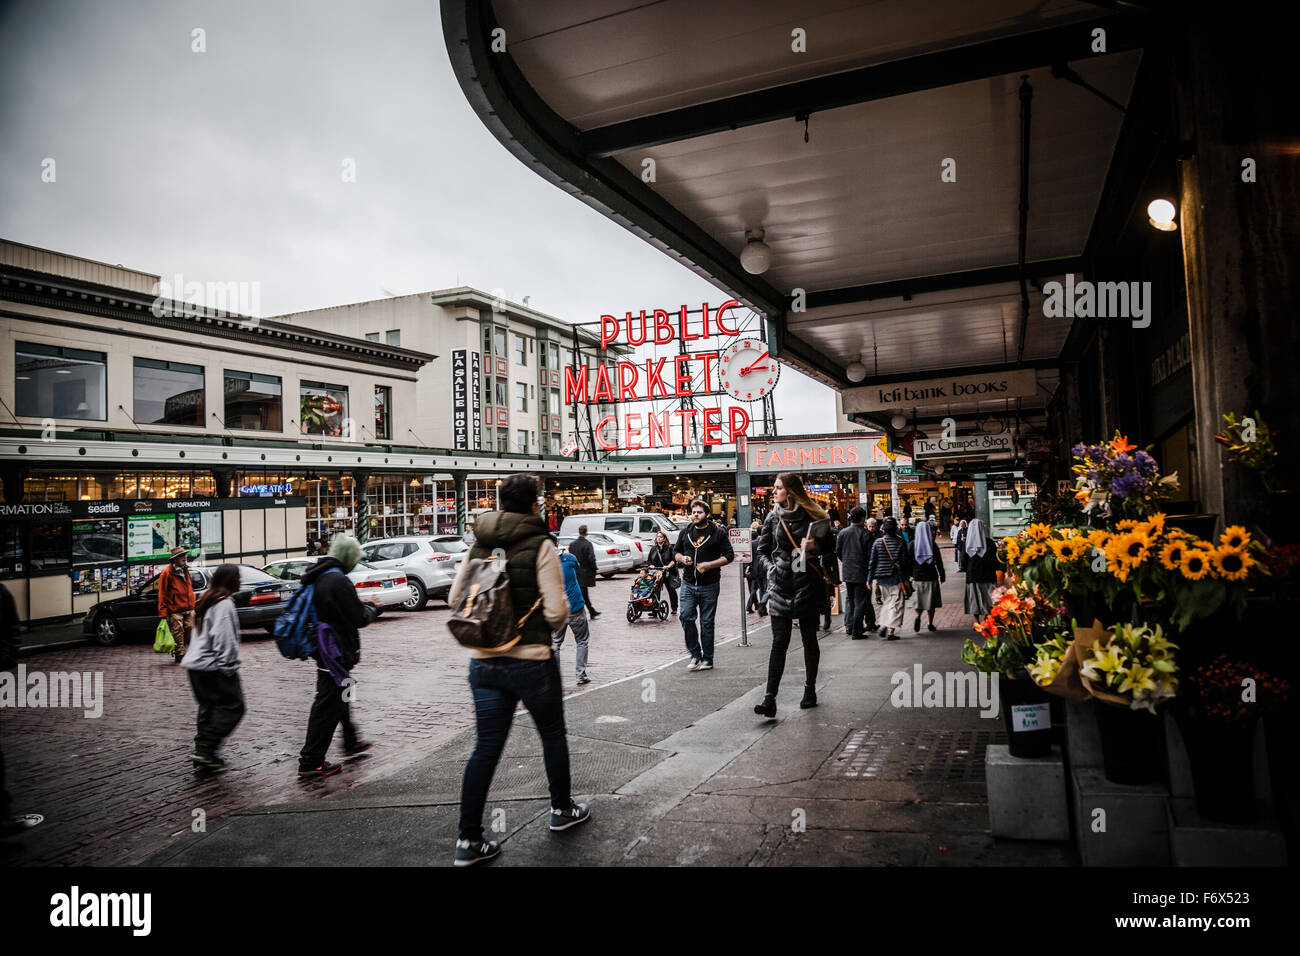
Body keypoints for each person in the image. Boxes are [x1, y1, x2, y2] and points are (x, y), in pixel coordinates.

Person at [450, 474, 589, 866]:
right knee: (551, 735)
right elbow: (556, 611)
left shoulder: (481, 541)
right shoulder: (540, 542)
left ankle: (469, 840)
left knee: (486, 749)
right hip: (531, 661)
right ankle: (561, 810)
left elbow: (454, 596)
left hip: (484, 663)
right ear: (533, 504)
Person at [297, 535, 380, 779]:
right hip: (334, 652)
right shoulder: (337, 580)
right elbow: (357, 618)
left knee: (342, 694)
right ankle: (311, 760)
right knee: (327, 705)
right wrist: (372, 608)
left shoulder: (322, 575)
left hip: (326, 650)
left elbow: (336, 608)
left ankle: (351, 739)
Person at [754, 473, 832, 718]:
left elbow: (830, 548)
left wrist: (814, 547)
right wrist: (771, 568)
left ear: (791, 491)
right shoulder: (772, 517)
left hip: (806, 584)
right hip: (780, 586)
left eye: (778, 488)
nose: (774, 492)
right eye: (774, 488)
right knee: (779, 643)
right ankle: (770, 698)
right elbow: (762, 550)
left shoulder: (813, 515)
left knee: (809, 639)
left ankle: (810, 690)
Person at [180, 564, 245, 772]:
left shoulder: (207, 599)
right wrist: (229, 667)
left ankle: (203, 750)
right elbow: (224, 639)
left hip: (195, 664)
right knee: (233, 706)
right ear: (231, 581)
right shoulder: (224, 604)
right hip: (213, 666)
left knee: (208, 708)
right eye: (238, 578)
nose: (241, 582)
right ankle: (207, 748)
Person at [672, 498, 734, 672]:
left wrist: (709, 565)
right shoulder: (685, 533)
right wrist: (682, 559)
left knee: (707, 623)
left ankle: (708, 658)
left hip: (710, 585)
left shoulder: (718, 533)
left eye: (699, 512)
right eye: (693, 512)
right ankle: (694, 654)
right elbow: (676, 552)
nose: (695, 515)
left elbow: (729, 556)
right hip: (688, 583)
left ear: (707, 514)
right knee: (685, 616)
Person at [868, 517, 912, 640]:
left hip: (881, 578)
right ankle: (890, 630)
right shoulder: (900, 542)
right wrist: (907, 575)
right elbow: (905, 561)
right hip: (896, 577)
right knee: (896, 604)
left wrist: (869, 578)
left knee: (887, 602)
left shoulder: (877, 542)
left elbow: (872, 562)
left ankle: (883, 624)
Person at [552, 548, 591, 685]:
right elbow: (578, 566)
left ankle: (555, 677)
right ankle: (580, 675)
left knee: (556, 642)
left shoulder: (544, 566)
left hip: (558, 609)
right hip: (575, 606)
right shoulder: (569, 558)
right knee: (582, 641)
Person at [836, 507, 874, 640]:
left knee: (850, 599)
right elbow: (870, 556)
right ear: (863, 518)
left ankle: (850, 626)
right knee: (860, 602)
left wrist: (846, 561)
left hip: (847, 571)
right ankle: (857, 630)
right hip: (860, 572)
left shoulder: (843, 533)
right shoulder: (866, 534)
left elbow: (838, 551)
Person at [158, 545, 197, 663]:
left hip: (189, 606)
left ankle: (180, 648)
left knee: (190, 627)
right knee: (178, 630)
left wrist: (192, 601)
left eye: (185, 555)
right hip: (174, 608)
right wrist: (163, 612)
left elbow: (189, 587)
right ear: (175, 559)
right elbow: (162, 593)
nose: (185, 557)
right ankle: (179, 653)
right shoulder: (166, 573)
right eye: (181, 556)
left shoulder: (185, 570)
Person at [964, 518, 1004, 620]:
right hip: (988, 575)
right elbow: (996, 560)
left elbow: (963, 562)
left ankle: (977, 621)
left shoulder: (967, 545)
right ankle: (987, 618)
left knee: (974, 600)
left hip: (973, 576)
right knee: (989, 598)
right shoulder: (989, 543)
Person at [909, 519, 946, 632]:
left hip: (917, 577)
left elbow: (908, 562)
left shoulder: (912, 544)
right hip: (931, 576)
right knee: (931, 603)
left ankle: (918, 616)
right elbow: (939, 561)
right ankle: (930, 623)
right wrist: (942, 575)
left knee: (918, 602)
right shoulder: (932, 544)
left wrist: (909, 575)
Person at [568, 525, 600, 619]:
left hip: (575, 572)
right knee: (582, 593)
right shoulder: (587, 544)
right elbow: (591, 559)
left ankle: (591, 610)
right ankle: (586, 611)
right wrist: (594, 569)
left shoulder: (572, 544)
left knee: (582, 592)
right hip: (584, 572)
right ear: (586, 532)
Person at [647, 530, 679, 615]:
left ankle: (674, 608)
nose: (659, 538)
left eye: (661, 537)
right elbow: (649, 561)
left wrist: (668, 566)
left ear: (664, 539)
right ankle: (655, 609)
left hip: (668, 572)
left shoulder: (669, 548)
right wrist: (651, 566)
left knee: (671, 590)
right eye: (657, 537)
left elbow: (674, 560)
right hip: (657, 572)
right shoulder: (653, 549)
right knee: (655, 590)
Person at [820, 520, 841, 632]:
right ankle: (824, 620)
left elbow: (833, 554)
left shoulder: (829, 534)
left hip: (825, 568)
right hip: (822, 566)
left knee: (825, 595)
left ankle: (826, 619)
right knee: (823, 595)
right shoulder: (829, 533)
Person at [745, 548, 768, 616]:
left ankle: (761, 608)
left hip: (754, 571)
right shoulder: (762, 542)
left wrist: (745, 569)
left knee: (760, 590)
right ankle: (762, 604)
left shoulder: (750, 544)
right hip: (763, 569)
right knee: (767, 589)